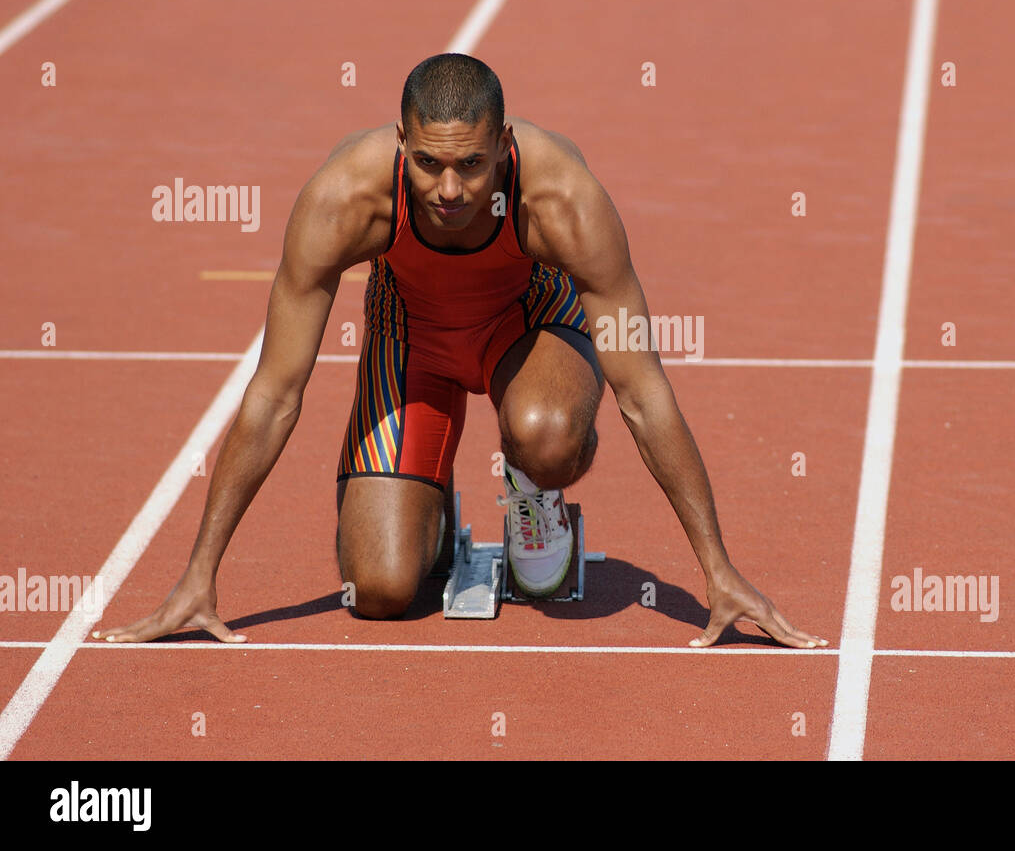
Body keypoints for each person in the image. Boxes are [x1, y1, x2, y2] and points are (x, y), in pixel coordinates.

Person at [93, 53, 828, 649]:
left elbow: (642, 390)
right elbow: (276, 392)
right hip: (407, 336)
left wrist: (717, 568)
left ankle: (530, 485)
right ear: (401, 146)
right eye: (429, 166)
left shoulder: (563, 200)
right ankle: (431, 511)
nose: (448, 190)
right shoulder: (344, 199)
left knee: (547, 437)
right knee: (381, 591)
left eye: (472, 166)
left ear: (505, 151)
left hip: (526, 324)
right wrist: (201, 571)